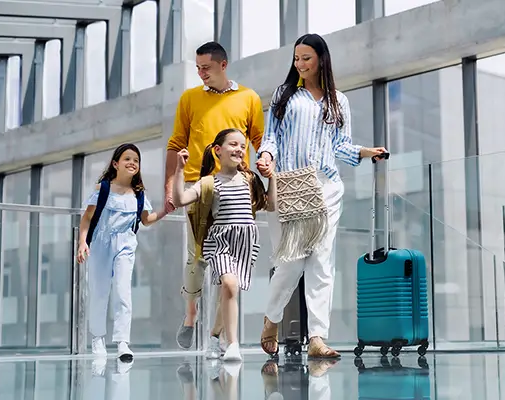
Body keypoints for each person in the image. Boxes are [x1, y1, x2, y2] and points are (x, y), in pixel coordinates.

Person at [256, 33, 387, 359]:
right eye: (296, 59)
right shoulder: (284, 95)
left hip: (327, 187)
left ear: (321, 61)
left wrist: (366, 151)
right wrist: (266, 158)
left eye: (306, 59)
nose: (299, 64)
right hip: (291, 186)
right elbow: (271, 137)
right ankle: (272, 317)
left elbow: (340, 145)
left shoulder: (337, 101)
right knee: (290, 263)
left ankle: (317, 337)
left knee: (322, 264)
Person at [165, 41, 265, 350]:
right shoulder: (189, 98)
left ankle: (219, 333)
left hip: (239, 186)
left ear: (223, 65)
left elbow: (261, 141)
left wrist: (267, 168)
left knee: (232, 269)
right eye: (197, 68)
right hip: (200, 186)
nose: (201, 73)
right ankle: (191, 315)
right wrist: (171, 185)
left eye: (205, 67)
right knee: (196, 258)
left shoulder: (249, 98)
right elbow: (176, 142)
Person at [169, 128, 275, 361]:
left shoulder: (250, 180)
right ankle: (233, 344)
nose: (239, 149)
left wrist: (273, 178)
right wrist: (179, 170)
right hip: (220, 241)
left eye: (242, 145)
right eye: (233, 144)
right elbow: (179, 200)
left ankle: (215, 337)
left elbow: (270, 206)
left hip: (245, 242)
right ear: (218, 150)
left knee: (229, 291)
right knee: (228, 284)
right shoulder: (209, 182)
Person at [75, 143, 168, 360]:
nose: (132, 163)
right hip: (101, 244)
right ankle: (97, 339)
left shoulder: (139, 194)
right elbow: (87, 218)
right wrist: (82, 243)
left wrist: (165, 211)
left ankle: (122, 342)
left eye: (136, 160)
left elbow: (146, 220)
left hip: (126, 245)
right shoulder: (103, 189)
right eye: (127, 159)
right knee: (99, 291)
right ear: (116, 164)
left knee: (123, 291)